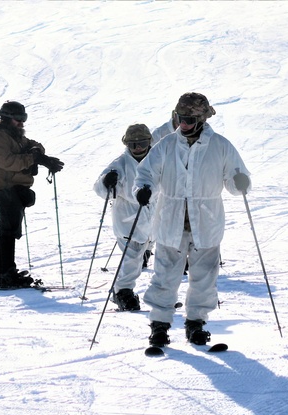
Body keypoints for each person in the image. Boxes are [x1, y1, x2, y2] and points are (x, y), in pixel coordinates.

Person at [133, 92, 250, 347]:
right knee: (164, 276)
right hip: (170, 222)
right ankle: (159, 326)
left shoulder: (220, 146)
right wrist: (143, 189)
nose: (182, 124)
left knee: (204, 277)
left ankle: (196, 323)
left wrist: (240, 182)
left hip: (206, 224)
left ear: (201, 119)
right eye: (179, 117)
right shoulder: (166, 145)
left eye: (187, 119)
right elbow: (145, 174)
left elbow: (235, 179)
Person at [0, 100, 64, 288]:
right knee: (8, 230)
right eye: (17, 119)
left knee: (7, 230)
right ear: (6, 118)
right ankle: (6, 272)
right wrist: (33, 158)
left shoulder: (16, 136)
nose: (21, 122)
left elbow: (34, 144)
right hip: (3, 187)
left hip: (14, 188)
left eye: (23, 118)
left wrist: (37, 152)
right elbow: (8, 162)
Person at [92, 123, 154, 311]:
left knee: (153, 247)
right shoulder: (120, 164)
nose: (138, 148)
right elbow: (99, 188)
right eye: (132, 145)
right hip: (129, 216)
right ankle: (122, 291)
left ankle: (163, 292)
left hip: (155, 214)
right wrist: (107, 183)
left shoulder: (158, 159)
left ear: (149, 141)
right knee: (132, 255)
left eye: (142, 143)